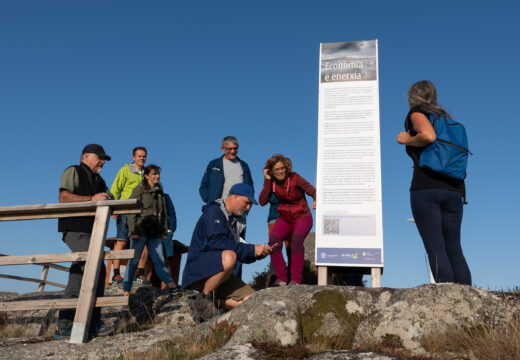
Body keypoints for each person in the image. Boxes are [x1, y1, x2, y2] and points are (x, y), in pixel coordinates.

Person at [397, 80, 471, 285]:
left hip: (427, 188)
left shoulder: (418, 113)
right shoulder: (449, 122)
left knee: (436, 249)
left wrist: (407, 139)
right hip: (455, 190)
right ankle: (469, 305)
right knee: (454, 250)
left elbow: (428, 136)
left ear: (412, 97)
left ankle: (446, 305)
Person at [182, 183, 272, 323]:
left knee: (252, 301)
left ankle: (212, 302)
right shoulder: (214, 211)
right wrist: (253, 249)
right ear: (235, 197)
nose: (248, 208)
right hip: (200, 272)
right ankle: (204, 300)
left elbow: (240, 249)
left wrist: (258, 254)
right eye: (247, 203)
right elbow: (216, 243)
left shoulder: (236, 222)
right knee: (230, 256)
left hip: (221, 274)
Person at [55, 144, 113, 339]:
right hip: (74, 228)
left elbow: (108, 196)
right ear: (85, 156)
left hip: (93, 232)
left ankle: (93, 322)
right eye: (100, 157)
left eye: (104, 159)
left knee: (98, 269)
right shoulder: (74, 171)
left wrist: (109, 197)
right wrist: (91, 198)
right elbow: (63, 197)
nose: (103, 162)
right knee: (85, 266)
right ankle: (64, 325)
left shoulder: (99, 179)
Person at [199, 136, 254, 280]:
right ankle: (214, 284)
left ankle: (234, 283)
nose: (232, 151)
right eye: (229, 149)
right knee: (215, 246)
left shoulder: (244, 165)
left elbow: (250, 188)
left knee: (237, 247)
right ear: (222, 149)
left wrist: (246, 208)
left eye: (235, 149)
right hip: (218, 211)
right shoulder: (214, 164)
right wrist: (210, 202)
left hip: (238, 214)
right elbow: (203, 186)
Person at [123, 165, 181, 296]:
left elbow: (163, 213)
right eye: (154, 174)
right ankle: (126, 290)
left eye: (158, 174)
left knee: (159, 261)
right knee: (134, 261)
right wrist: (133, 231)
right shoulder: (139, 190)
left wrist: (164, 231)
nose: (157, 176)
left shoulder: (160, 193)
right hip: (140, 231)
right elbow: (131, 210)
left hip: (155, 232)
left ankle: (171, 285)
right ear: (147, 176)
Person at [259, 154, 316, 286]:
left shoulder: (295, 178)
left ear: (286, 168)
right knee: (273, 242)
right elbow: (262, 201)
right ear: (272, 171)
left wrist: (315, 200)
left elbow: (312, 190)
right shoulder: (271, 182)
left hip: (302, 217)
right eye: (277, 169)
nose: (280, 172)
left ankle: (295, 279)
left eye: (282, 168)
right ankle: (282, 278)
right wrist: (267, 180)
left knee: (296, 242)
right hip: (284, 218)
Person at [110, 146, 147, 285]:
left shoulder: (147, 173)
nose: (141, 158)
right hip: (125, 211)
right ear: (133, 157)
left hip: (140, 214)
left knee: (141, 244)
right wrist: (114, 209)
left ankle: (140, 274)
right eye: (139, 156)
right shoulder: (125, 170)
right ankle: (116, 275)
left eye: (144, 156)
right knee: (121, 241)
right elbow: (115, 189)